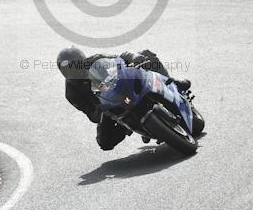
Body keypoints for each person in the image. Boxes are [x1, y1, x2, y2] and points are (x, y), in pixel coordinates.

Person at [57, 47, 191, 151]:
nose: (75, 70)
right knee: (104, 142)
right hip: (108, 108)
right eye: (69, 69)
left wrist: (135, 58)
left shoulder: (96, 60)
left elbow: (120, 58)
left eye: (77, 64)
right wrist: (99, 109)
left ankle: (173, 83)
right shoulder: (72, 93)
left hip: (122, 87)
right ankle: (130, 127)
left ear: (83, 60)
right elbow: (91, 115)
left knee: (146, 54)